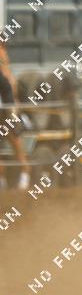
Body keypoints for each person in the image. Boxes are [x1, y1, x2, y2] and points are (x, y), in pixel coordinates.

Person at [0, 42, 31, 190]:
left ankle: (25, 174)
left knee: (15, 141)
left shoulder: (2, 55)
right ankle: (2, 179)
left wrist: (10, 108)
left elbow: (8, 84)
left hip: (6, 107)